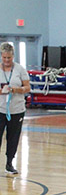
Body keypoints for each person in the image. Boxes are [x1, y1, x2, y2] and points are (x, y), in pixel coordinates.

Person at [0, 42, 30, 175]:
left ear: (13, 56)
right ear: (1, 56)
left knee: (13, 138)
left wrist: (16, 89)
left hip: (16, 110)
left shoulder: (20, 69)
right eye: (4, 57)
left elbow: (27, 88)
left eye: (9, 58)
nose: (7, 60)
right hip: (0, 109)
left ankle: (9, 163)